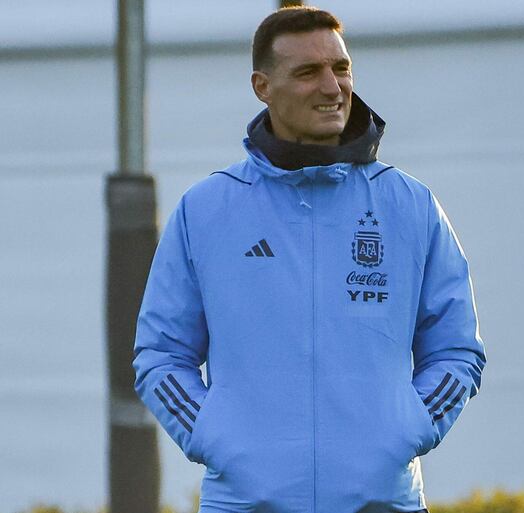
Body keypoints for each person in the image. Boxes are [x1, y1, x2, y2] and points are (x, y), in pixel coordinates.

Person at [132, 6, 486, 513]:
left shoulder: (410, 205)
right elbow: (160, 356)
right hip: (245, 504)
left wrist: (407, 426)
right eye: (307, 72)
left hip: (382, 502)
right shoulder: (206, 210)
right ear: (262, 86)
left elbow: (458, 351)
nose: (332, 87)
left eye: (340, 69)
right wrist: (216, 434)